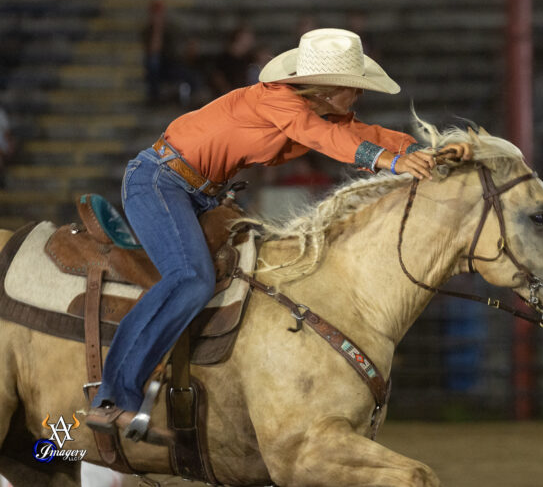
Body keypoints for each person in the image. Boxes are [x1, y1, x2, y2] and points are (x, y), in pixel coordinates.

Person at [86, 28, 473, 429]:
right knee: (191, 279)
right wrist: (391, 163)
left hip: (199, 193)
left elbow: (362, 134)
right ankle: (113, 395)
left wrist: (427, 152)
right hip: (159, 182)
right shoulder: (276, 98)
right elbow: (323, 137)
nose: (360, 95)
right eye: (354, 87)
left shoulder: (319, 112)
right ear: (327, 88)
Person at [209, 25, 257, 98]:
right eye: (248, 38)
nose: (251, 41)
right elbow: (218, 79)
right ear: (239, 37)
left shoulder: (248, 59)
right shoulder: (223, 59)